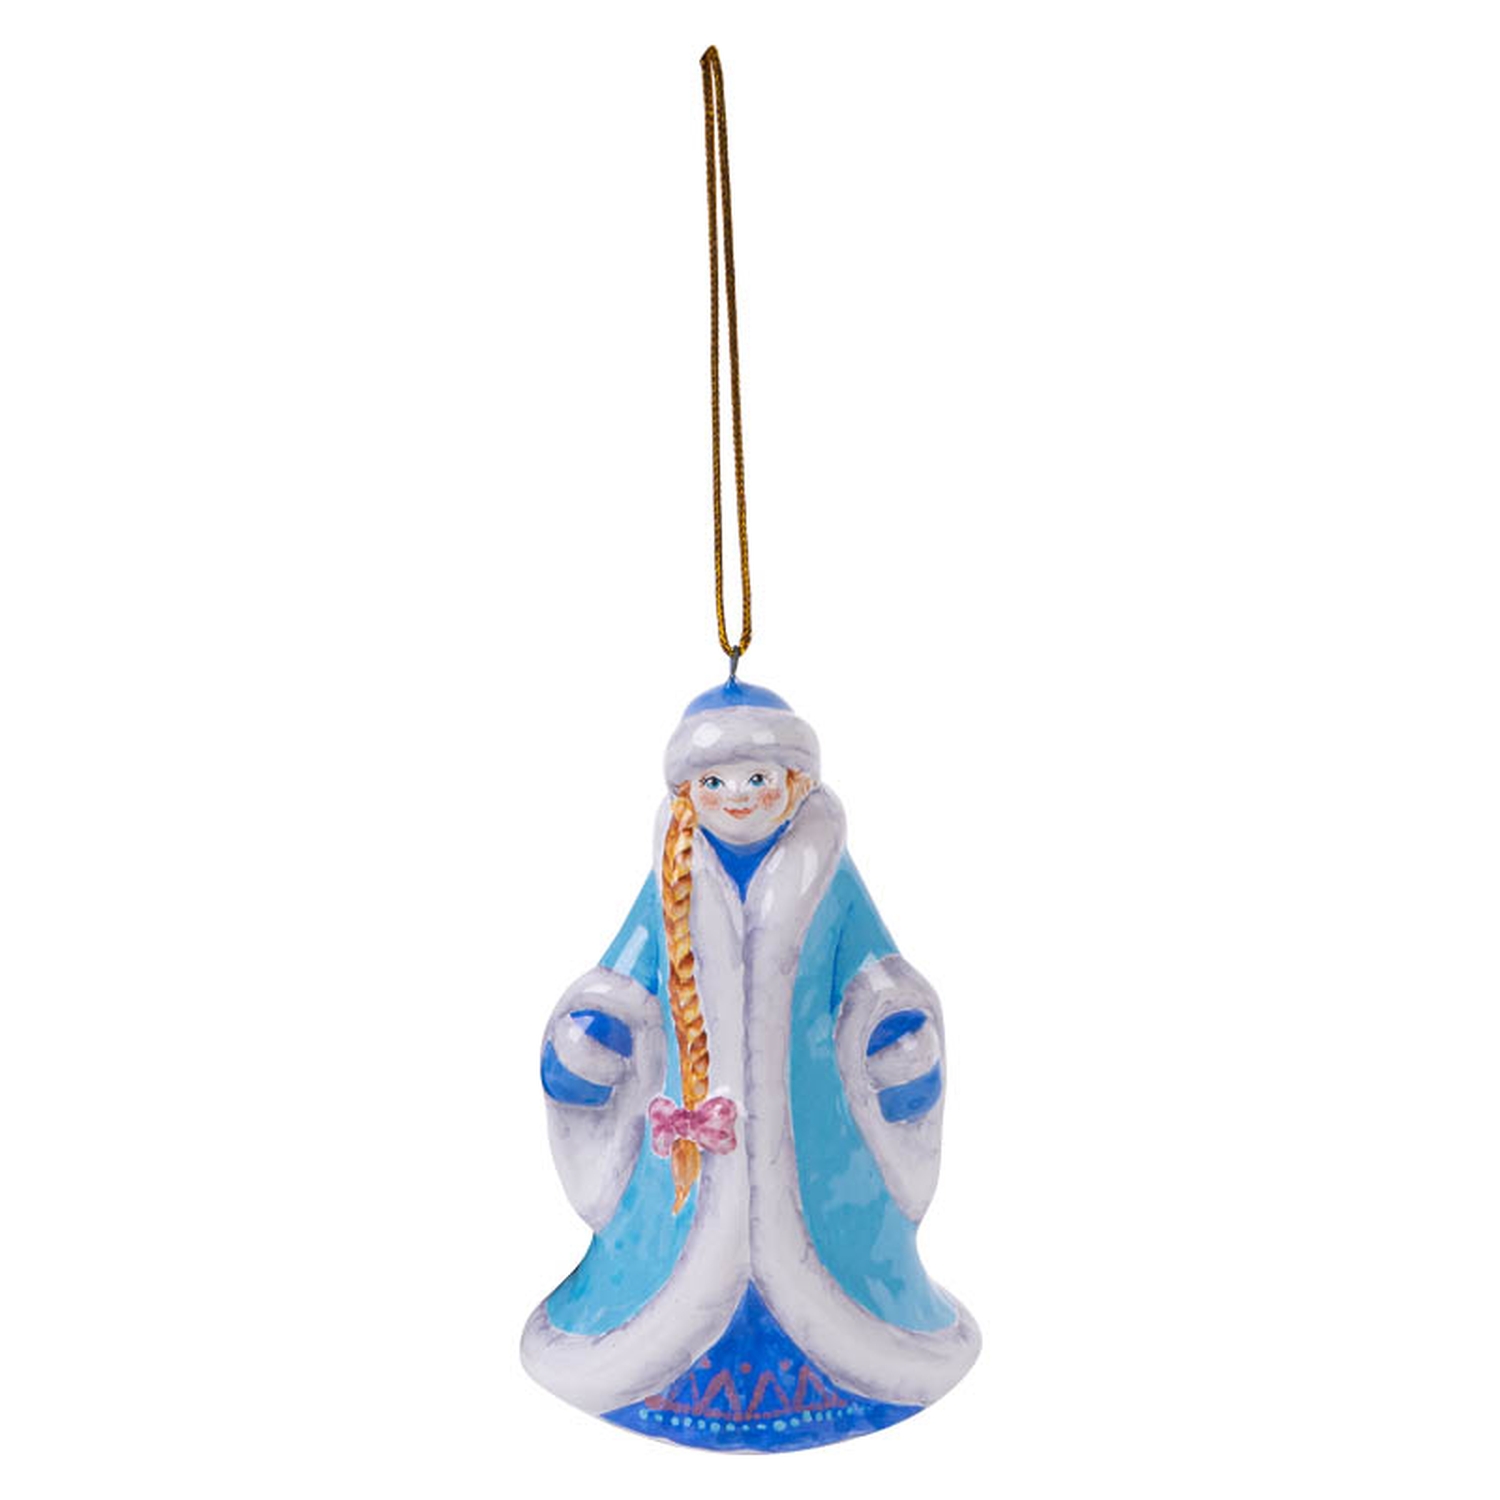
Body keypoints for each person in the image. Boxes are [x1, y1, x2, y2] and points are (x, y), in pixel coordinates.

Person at [521, 680, 979, 1450]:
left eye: (757, 778)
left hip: (815, 1135)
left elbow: (876, 973)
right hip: (686, 1153)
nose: (738, 797)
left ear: (794, 783)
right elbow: (627, 976)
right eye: (715, 782)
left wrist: (898, 1033)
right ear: (689, 793)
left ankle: (837, 1356)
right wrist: (594, 1033)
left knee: (826, 1243)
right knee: (678, 1245)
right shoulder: (674, 873)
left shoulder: (827, 876)